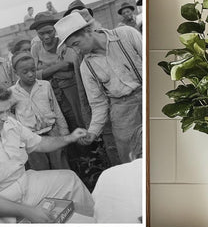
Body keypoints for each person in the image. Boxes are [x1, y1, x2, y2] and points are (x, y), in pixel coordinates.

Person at [0, 83, 94, 223]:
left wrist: (69, 138)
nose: (5, 117)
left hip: (23, 182)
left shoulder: (8, 122)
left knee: (69, 180)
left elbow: (39, 143)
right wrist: (28, 211)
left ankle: (98, 225)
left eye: (7, 110)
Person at [55, 11, 143, 164]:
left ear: (88, 31)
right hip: (122, 111)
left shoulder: (126, 35)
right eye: (71, 48)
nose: (76, 51)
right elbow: (98, 104)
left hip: (150, 96)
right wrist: (92, 132)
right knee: (132, 159)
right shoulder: (86, 67)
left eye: (76, 44)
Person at [10, 51, 70, 170]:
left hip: (52, 133)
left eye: (33, 70)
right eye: (25, 72)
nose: (31, 74)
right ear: (16, 73)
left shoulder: (45, 85)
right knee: (41, 170)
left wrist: (64, 131)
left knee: (61, 166)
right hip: (30, 139)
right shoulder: (11, 93)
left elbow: (56, 109)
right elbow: (9, 116)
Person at [30, 11, 86, 131]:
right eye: (41, 33)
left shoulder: (64, 43)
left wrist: (45, 72)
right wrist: (58, 66)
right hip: (50, 93)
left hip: (72, 89)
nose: (46, 36)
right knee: (60, 124)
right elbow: (35, 75)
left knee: (79, 119)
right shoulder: (36, 48)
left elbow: (71, 65)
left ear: (55, 29)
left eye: (49, 32)